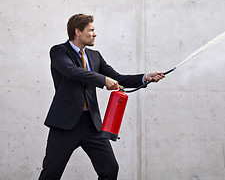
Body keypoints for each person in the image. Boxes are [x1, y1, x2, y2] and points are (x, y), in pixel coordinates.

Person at [39, 13, 164, 180]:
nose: (95, 33)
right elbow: (72, 71)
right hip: (64, 124)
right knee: (50, 173)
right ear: (77, 32)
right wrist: (103, 80)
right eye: (91, 30)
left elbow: (118, 78)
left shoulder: (94, 56)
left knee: (110, 169)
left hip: (92, 124)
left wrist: (145, 77)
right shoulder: (59, 51)